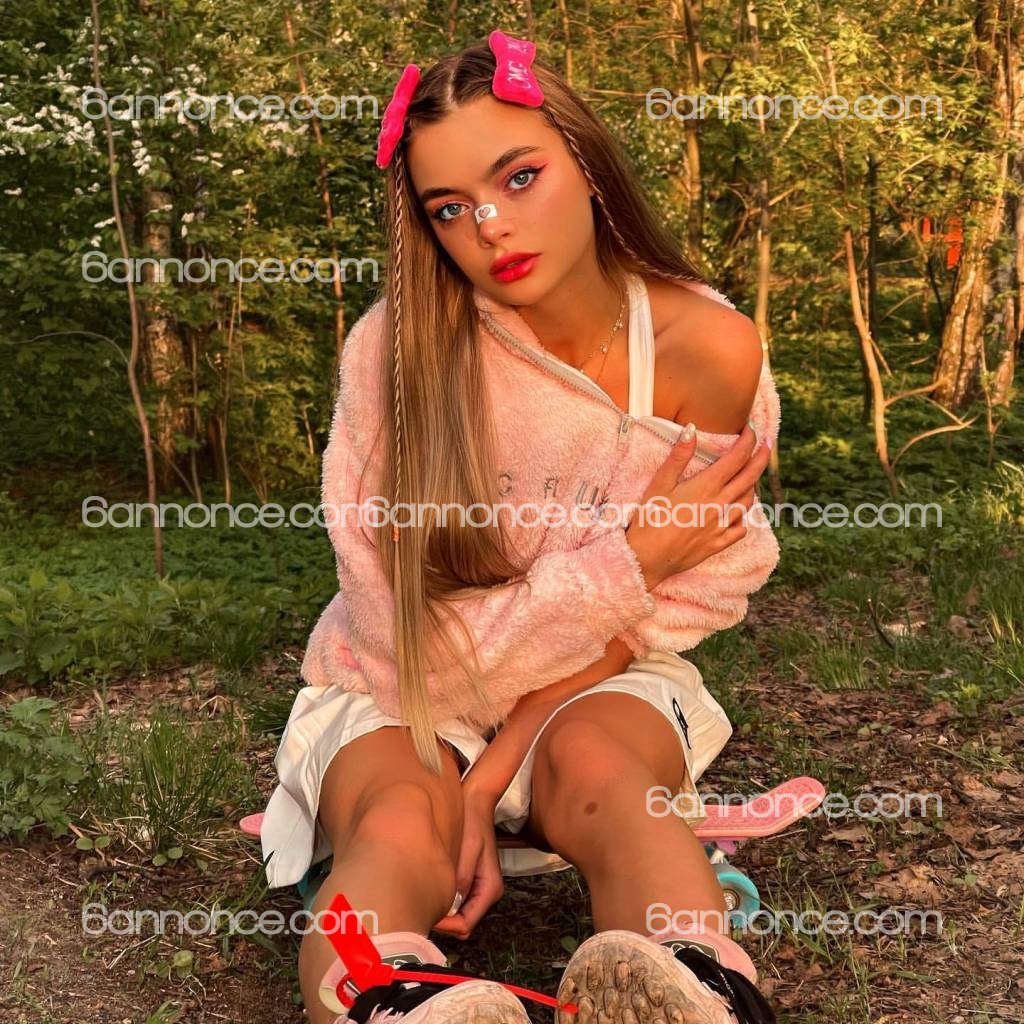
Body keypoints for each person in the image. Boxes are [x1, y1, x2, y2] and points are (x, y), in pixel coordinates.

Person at [260, 29, 781, 1024]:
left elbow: (689, 593)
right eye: (449, 208)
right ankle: (392, 1000)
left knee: (607, 775)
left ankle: (694, 986)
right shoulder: (392, 356)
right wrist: (626, 562)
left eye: (519, 177)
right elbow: (403, 640)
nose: (491, 226)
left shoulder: (706, 344)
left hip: (596, 676)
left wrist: (496, 769)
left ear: (586, 163)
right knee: (401, 813)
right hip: (403, 687)